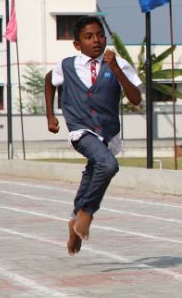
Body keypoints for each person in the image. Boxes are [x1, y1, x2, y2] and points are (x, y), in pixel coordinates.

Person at [44, 16, 142, 256]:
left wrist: (116, 68)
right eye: (89, 37)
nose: (96, 40)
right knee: (108, 165)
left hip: (107, 131)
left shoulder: (117, 63)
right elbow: (49, 80)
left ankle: (74, 220)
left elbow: (136, 99)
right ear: (77, 44)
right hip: (80, 129)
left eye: (100, 35)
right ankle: (86, 213)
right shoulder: (67, 65)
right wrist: (50, 114)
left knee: (92, 172)